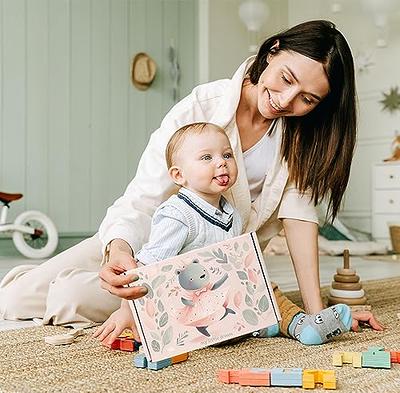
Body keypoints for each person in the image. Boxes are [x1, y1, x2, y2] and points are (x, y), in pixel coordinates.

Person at [0, 20, 383, 337]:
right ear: (273, 51)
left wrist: (316, 314)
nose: (286, 100)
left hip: (203, 269)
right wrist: (118, 250)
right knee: (12, 300)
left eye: (307, 99)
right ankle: (61, 276)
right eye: (286, 78)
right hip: (146, 237)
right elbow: (143, 197)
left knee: (69, 295)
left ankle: (85, 289)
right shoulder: (204, 105)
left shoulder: (300, 139)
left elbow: (299, 220)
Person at [93, 122, 374, 347]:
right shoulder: (177, 215)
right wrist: (128, 312)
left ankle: (303, 325)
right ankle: (260, 325)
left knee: (266, 287)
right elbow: (147, 268)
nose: (222, 163)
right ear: (179, 175)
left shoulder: (232, 211)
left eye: (227, 155)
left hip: (222, 290)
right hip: (190, 299)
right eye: (206, 158)